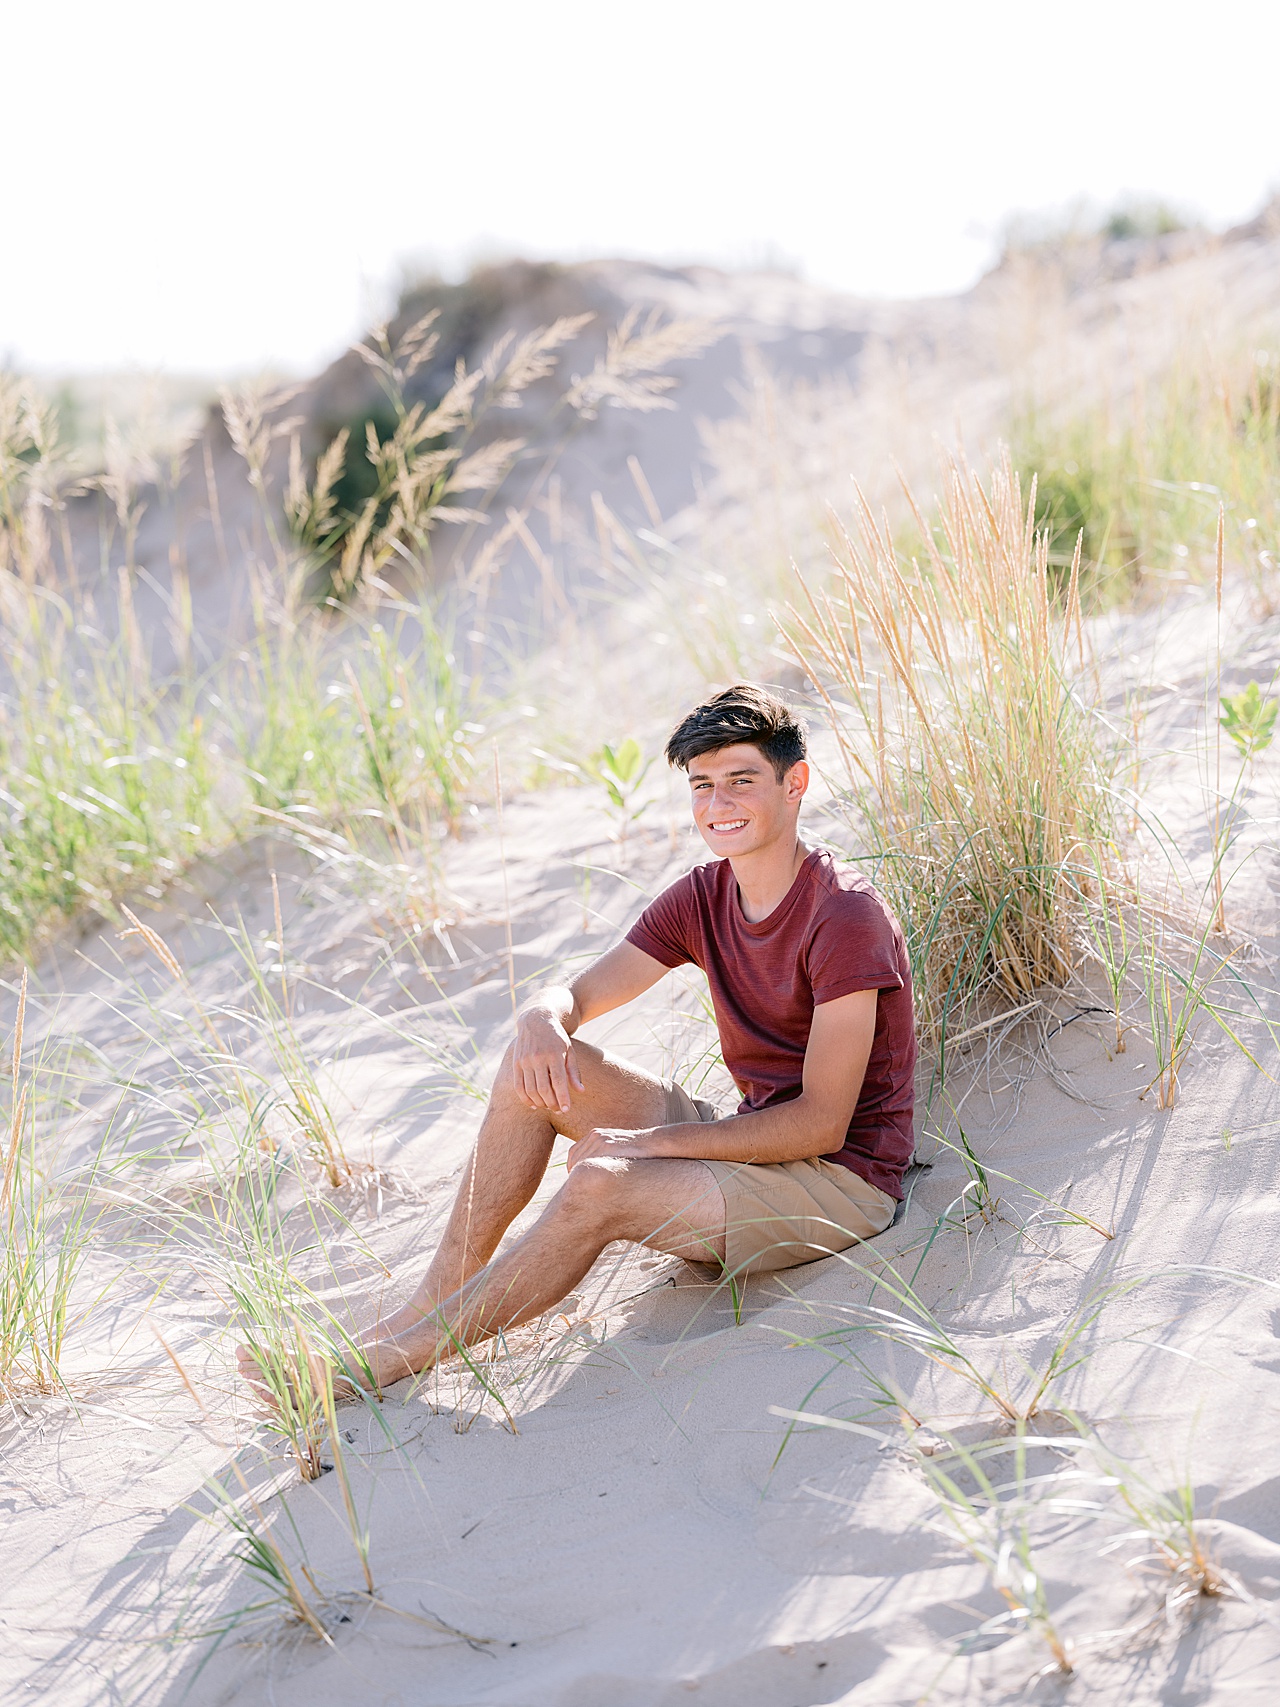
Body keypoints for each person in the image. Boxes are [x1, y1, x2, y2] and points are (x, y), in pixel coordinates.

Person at [238, 683, 916, 1398]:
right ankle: (418, 1310)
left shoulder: (844, 915)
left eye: (742, 781)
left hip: (839, 1182)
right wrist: (540, 1013)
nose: (719, 805)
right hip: (750, 1139)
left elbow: (821, 1122)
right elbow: (583, 993)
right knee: (533, 1064)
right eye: (703, 785)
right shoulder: (705, 895)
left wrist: (642, 1145)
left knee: (601, 1184)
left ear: (794, 782)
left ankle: (388, 1362)